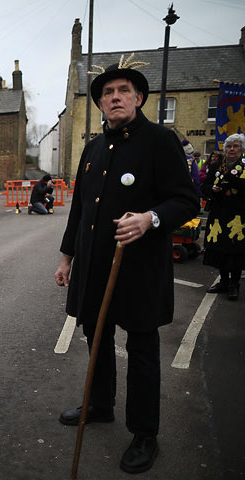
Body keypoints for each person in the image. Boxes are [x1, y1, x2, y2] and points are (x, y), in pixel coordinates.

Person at [54, 56, 198, 474]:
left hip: (138, 271)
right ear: (99, 104)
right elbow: (79, 211)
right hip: (95, 267)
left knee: (142, 350)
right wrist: (67, 259)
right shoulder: (94, 147)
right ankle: (100, 405)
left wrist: (149, 218)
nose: (114, 98)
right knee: (95, 337)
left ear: (137, 98)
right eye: (107, 93)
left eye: (122, 91)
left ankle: (144, 432)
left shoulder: (159, 140)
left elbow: (186, 200)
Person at [202, 133, 245, 300]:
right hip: (219, 214)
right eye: (229, 146)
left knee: (235, 251)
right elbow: (205, 187)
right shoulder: (216, 166)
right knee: (220, 249)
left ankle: (234, 284)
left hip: (239, 216)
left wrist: (230, 181)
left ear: (241, 149)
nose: (231, 149)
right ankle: (224, 282)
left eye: (235, 146)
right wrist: (212, 190)